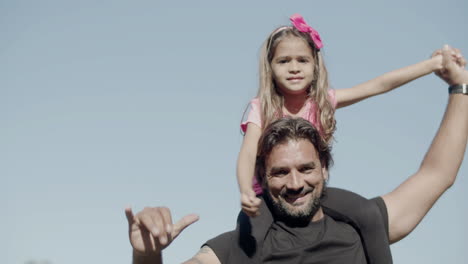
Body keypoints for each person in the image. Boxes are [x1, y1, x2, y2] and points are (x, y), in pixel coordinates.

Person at [125, 45, 468, 263]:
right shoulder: (233, 249)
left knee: (367, 211)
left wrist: (449, 78)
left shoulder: (356, 230)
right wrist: (146, 256)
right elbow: (246, 155)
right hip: (255, 215)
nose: (295, 182)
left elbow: (437, 172)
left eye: (306, 168)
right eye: (280, 171)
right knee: (251, 240)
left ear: (324, 168)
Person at [236, 14, 463, 263]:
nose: (293, 67)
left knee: (367, 212)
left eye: (302, 60)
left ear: (315, 65)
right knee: (247, 235)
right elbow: (247, 152)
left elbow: (379, 85)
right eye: (283, 61)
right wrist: (246, 190)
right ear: (270, 68)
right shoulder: (261, 107)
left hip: (312, 196)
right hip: (267, 197)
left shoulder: (322, 103)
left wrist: (432, 65)